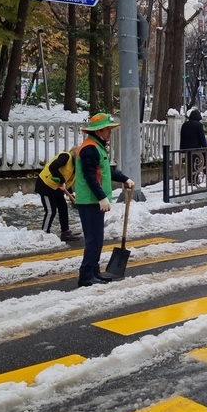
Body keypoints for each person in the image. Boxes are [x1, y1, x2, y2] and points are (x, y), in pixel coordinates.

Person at [75, 113, 135, 287]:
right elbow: (89, 176)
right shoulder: (89, 148)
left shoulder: (97, 147)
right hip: (90, 201)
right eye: (108, 129)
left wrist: (124, 178)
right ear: (99, 131)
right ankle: (86, 275)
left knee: (98, 239)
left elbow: (106, 171)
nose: (110, 132)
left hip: (94, 201)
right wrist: (101, 197)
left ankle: (94, 271)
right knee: (93, 239)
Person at [35, 147, 79, 241]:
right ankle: (44, 234)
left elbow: (67, 180)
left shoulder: (75, 167)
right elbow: (53, 167)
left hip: (57, 187)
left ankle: (65, 232)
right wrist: (61, 180)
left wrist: (70, 194)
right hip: (46, 185)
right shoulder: (66, 157)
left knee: (63, 207)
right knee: (51, 210)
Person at [180, 107, 207, 182]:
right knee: (196, 163)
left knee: (189, 163)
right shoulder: (199, 125)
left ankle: (189, 178)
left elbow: (182, 137)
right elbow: (201, 137)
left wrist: (181, 148)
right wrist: (205, 147)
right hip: (196, 148)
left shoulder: (184, 125)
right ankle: (194, 178)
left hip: (186, 148)